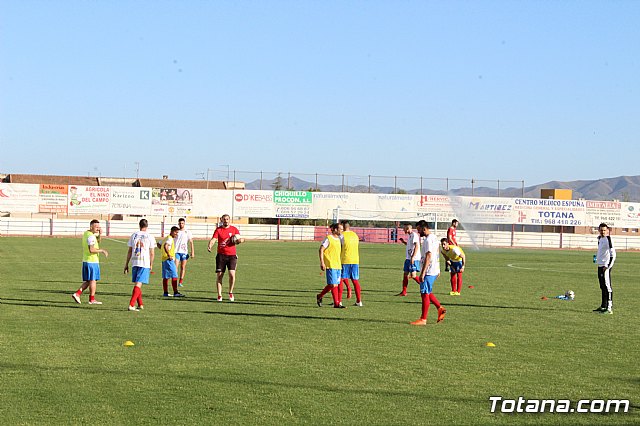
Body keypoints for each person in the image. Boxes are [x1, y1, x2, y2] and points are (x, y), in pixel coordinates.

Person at [411, 220, 446, 326]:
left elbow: (429, 256)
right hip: (434, 270)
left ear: (424, 228)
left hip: (429, 271)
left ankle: (423, 319)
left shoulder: (428, 240)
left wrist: (422, 273)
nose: (418, 232)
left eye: (419, 230)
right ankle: (440, 308)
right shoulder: (434, 237)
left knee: (424, 294)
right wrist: (439, 269)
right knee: (427, 291)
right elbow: (437, 253)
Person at [72, 219, 109, 305]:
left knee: (89, 281)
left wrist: (100, 234)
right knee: (93, 280)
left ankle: (77, 294)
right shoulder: (91, 236)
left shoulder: (87, 233)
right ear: (91, 226)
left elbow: (98, 241)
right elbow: (92, 249)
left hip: (87, 260)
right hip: (92, 261)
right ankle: (91, 299)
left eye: (99, 227)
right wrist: (102, 250)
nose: (98, 228)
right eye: (96, 227)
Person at [207, 214, 243, 302]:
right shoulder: (218, 230)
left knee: (232, 275)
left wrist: (239, 241)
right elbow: (214, 239)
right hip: (221, 256)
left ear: (229, 220)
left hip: (232, 256)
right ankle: (219, 295)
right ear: (221, 220)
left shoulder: (234, 229)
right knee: (219, 276)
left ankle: (230, 292)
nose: (226, 221)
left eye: (227, 219)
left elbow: (241, 239)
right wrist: (210, 245)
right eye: (224, 219)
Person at [124, 219, 156, 311]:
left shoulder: (134, 235)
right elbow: (152, 253)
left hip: (134, 261)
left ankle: (140, 304)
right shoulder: (150, 236)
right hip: (144, 262)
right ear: (147, 226)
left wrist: (126, 264)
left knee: (138, 283)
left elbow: (129, 251)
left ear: (139, 225)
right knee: (138, 284)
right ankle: (131, 304)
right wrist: (151, 264)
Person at [317, 223, 345, 308]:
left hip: (338, 265)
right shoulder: (328, 238)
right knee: (333, 285)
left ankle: (320, 296)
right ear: (335, 229)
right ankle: (336, 304)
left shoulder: (340, 239)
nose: (342, 231)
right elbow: (321, 249)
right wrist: (322, 262)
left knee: (334, 284)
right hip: (330, 264)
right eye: (340, 229)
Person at [594, 223, 616, 314]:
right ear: (599, 230)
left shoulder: (608, 239)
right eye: (601, 230)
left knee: (607, 287)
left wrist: (607, 266)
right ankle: (603, 305)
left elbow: (613, 254)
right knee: (602, 286)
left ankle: (609, 308)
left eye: (604, 230)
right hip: (600, 265)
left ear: (607, 231)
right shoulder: (599, 239)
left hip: (605, 266)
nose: (602, 232)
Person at [340, 220, 363, 306]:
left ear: (343, 226)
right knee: (355, 281)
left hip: (345, 260)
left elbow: (340, 247)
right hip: (355, 260)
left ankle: (339, 301)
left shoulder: (342, 235)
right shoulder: (355, 235)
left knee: (340, 280)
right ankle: (359, 301)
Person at [396, 223, 422, 296]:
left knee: (413, 275)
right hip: (408, 258)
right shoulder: (410, 236)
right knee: (405, 275)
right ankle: (404, 292)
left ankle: (424, 286)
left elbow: (417, 246)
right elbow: (410, 245)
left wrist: (413, 257)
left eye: (404, 229)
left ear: (407, 229)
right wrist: (404, 242)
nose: (403, 230)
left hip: (413, 258)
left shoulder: (414, 235)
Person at [161, 226, 185, 298]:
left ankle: (165, 293)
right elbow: (165, 246)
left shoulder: (166, 238)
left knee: (166, 276)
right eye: (176, 232)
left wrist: (163, 252)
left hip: (164, 259)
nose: (176, 234)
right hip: (169, 259)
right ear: (172, 231)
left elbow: (159, 244)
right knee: (174, 275)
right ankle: (175, 292)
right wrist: (168, 254)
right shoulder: (170, 239)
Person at [175, 218, 195, 287]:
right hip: (176, 251)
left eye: (182, 223)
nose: (181, 224)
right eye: (180, 223)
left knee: (183, 267)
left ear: (184, 224)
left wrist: (192, 252)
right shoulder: (176, 232)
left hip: (184, 252)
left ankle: (180, 281)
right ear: (178, 223)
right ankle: (174, 280)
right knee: (175, 267)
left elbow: (191, 242)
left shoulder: (187, 232)